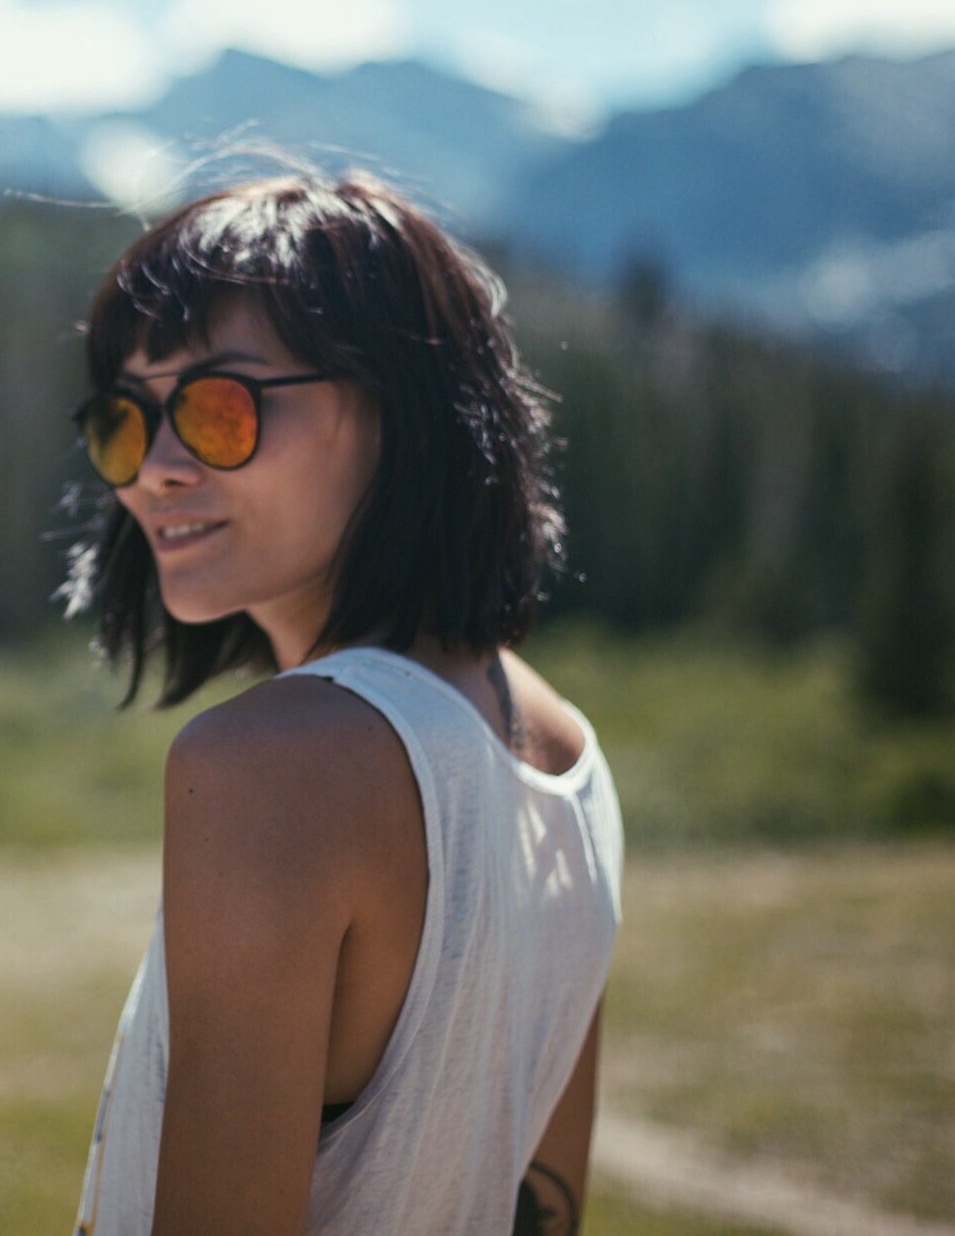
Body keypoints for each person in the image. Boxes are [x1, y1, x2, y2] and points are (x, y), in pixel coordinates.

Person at [60, 172, 623, 1236]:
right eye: (123, 423)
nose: (155, 473)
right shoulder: (561, 748)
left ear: (399, 412)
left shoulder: (272, 767)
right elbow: (542, 1210)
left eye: (219, 407)